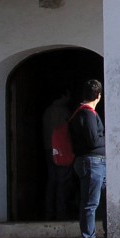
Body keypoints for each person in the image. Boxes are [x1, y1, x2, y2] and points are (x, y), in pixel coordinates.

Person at [70, 79, 106, 238]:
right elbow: (92, 140)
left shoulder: (80, 113)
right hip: (92, 162)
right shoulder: (87, 114)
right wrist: (108, 140)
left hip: (92, 162)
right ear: (98, 96)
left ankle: (106, 234)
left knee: (101, 199)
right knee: (91, 203)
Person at [42, 88, 74, 220]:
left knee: (52, 181)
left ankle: (49, 212)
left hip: (48, 149)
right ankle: (61, 213)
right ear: (63, 96)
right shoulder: (63, 111)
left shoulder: (48, 111)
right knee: (62, 182)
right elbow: (67, 133)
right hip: (61, 150)